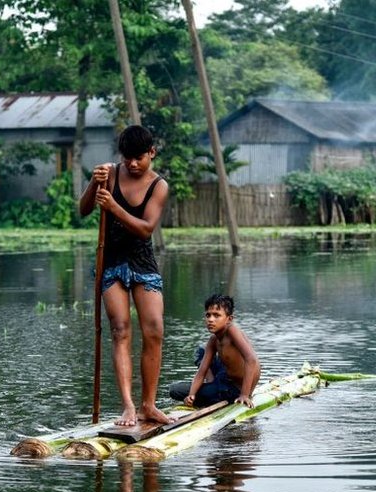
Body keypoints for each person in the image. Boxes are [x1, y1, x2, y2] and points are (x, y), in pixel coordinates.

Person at [79, 125, 172, 426]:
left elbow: (146, 228)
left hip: (142, 261)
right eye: (127, 158)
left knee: (154, 330)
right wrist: (94, 185)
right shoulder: (109, 173)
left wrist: (114, 207)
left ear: (151, 153)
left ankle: (149, 405)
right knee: (120, 330)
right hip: (112, 261)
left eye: (139, 158)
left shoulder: (159, 185)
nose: (132, 164)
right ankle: (129, 407)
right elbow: (83, 210)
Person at [169, 294, 261, 408]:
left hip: (233, 389)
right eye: (208, 315)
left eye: (216, 315)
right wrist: (191, 395)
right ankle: (210, 386)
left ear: (229, 319)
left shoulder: (232, 331)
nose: (211, 319)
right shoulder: (213, 339)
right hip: (224, 376)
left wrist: (245, 395)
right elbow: (202, 371)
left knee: (175, 390)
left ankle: (211, 394)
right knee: (201, 352)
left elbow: (251, 360)